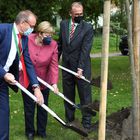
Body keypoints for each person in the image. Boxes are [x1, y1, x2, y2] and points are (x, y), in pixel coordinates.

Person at [0, 10, 44, 140]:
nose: (33, 29)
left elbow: (28, 63)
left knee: (3, 114)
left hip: (2, 82)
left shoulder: (23, 39)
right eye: (31, 26)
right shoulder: (2, 30)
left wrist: (36, 87)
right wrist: (3, 73)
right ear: (23, 23)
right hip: (3, 75)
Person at [58, 2, 94, 132]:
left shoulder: (88, 28)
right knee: (68, 94)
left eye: (81, 14)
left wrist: (80, 68)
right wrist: (54, 63)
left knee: (85, 96)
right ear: (70, 14)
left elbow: (85, 50)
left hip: (82, 67)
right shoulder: (63, 25)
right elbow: (60, 45)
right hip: (66, 66)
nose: (79, 16)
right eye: (76, 14)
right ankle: (70, 120)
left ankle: (87, 123)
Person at [20, 21, 59, 140]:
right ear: (40, 33)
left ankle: (42, 131)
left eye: (51, 35)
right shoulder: (27, 39)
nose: (50, 38)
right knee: (29, 108)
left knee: (43, 106)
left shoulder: (53, 45)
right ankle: (30, 132)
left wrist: (54, 83)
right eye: (47, 35)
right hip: (27, 79)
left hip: (44, 79)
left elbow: (54, 65)